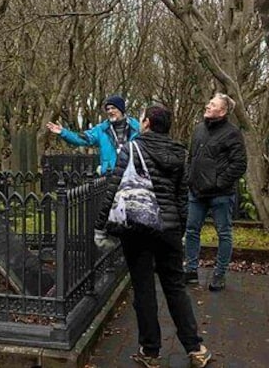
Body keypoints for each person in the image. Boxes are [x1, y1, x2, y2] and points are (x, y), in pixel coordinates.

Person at [94, 105, 212, 367]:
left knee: (144, 288)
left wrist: (101, 226)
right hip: (168, 230)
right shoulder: (179, 153)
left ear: (146, 123)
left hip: (139, 227)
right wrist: (179, 230)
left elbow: (114, 188)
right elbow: (183, 196)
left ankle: (150, 352)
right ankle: (195, 348)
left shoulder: (132, 148)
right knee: (175, 287)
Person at [183, 93, 247, 291]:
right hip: (196, 191)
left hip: (221, 194)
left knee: (224, 233)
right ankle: (191, 270)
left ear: (223, 110)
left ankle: (219, 274)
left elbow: (239, 164)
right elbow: (191, 156)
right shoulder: (199, 129)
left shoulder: (232, 133)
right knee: (192, 230)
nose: (207, 105)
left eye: (212, 104)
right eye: (209, 102)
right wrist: (189, 178)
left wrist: (219, 182)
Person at [46, 94, 139, 175]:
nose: (110, 111)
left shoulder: (136, 128)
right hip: (110, 175)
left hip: (133, 174)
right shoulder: (101, 129)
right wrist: (63, 132)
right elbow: (83, 139)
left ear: (121, 109)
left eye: (113, 108)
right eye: (108, 109)